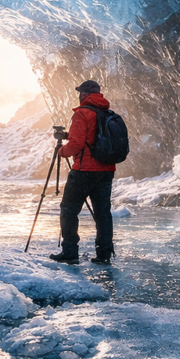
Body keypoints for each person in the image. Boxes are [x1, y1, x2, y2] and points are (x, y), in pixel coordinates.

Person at [50, 80, 116, 265]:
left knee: (69, 210)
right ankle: (104, 254)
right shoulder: (107, 113)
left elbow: (77, 144)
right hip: (106, 170)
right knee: (103, 213)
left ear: (84, 95)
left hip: (84, 171)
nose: (79, 95)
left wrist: (62, 151)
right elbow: (92, 138)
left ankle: (70, 252)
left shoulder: (82, 114)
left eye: (80, 92)